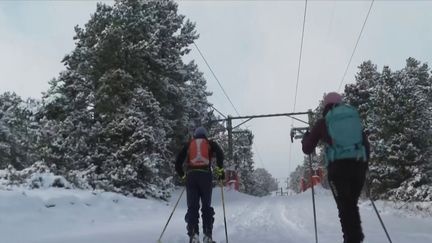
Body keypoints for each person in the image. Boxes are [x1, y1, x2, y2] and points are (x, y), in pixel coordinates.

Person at [301, 92, 370, 243]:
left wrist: (306, 138)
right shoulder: (353, 119)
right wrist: (363, 167)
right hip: (358, 167)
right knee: (351, 205)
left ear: (325, 106)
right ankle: (355, 238)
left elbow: (307, 148)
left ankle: (353, 239)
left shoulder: (323, 122)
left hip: (338, 170)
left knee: (344, 208)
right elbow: (365, 144)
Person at [175, 126, 225, 243]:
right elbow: (220, 154)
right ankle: (207, 235)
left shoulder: (189, 144)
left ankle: (193, 235)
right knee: (206, 207)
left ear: (195, 135)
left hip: (191, 177)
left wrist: (183, 175)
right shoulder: (210, 143)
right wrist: (220, 171)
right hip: (205, 176)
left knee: (192, 207)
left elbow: (178, 163)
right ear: (205, 135)